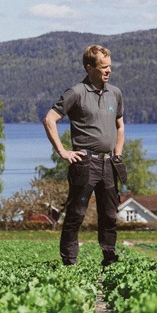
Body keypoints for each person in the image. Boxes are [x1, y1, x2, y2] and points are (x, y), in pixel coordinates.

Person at [43, 44, 125, 266]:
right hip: (85, 164)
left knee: (109, 215)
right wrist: (62, 151)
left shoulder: (115, 93)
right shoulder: (76, 92)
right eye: (103, 67)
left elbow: (120, 126)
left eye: (110, 67)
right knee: (76, 214)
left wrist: (118, 154)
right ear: (89, 67)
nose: (108, 71)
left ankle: (109, 260)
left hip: (109, 164)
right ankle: (70, 263)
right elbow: (50, 119)